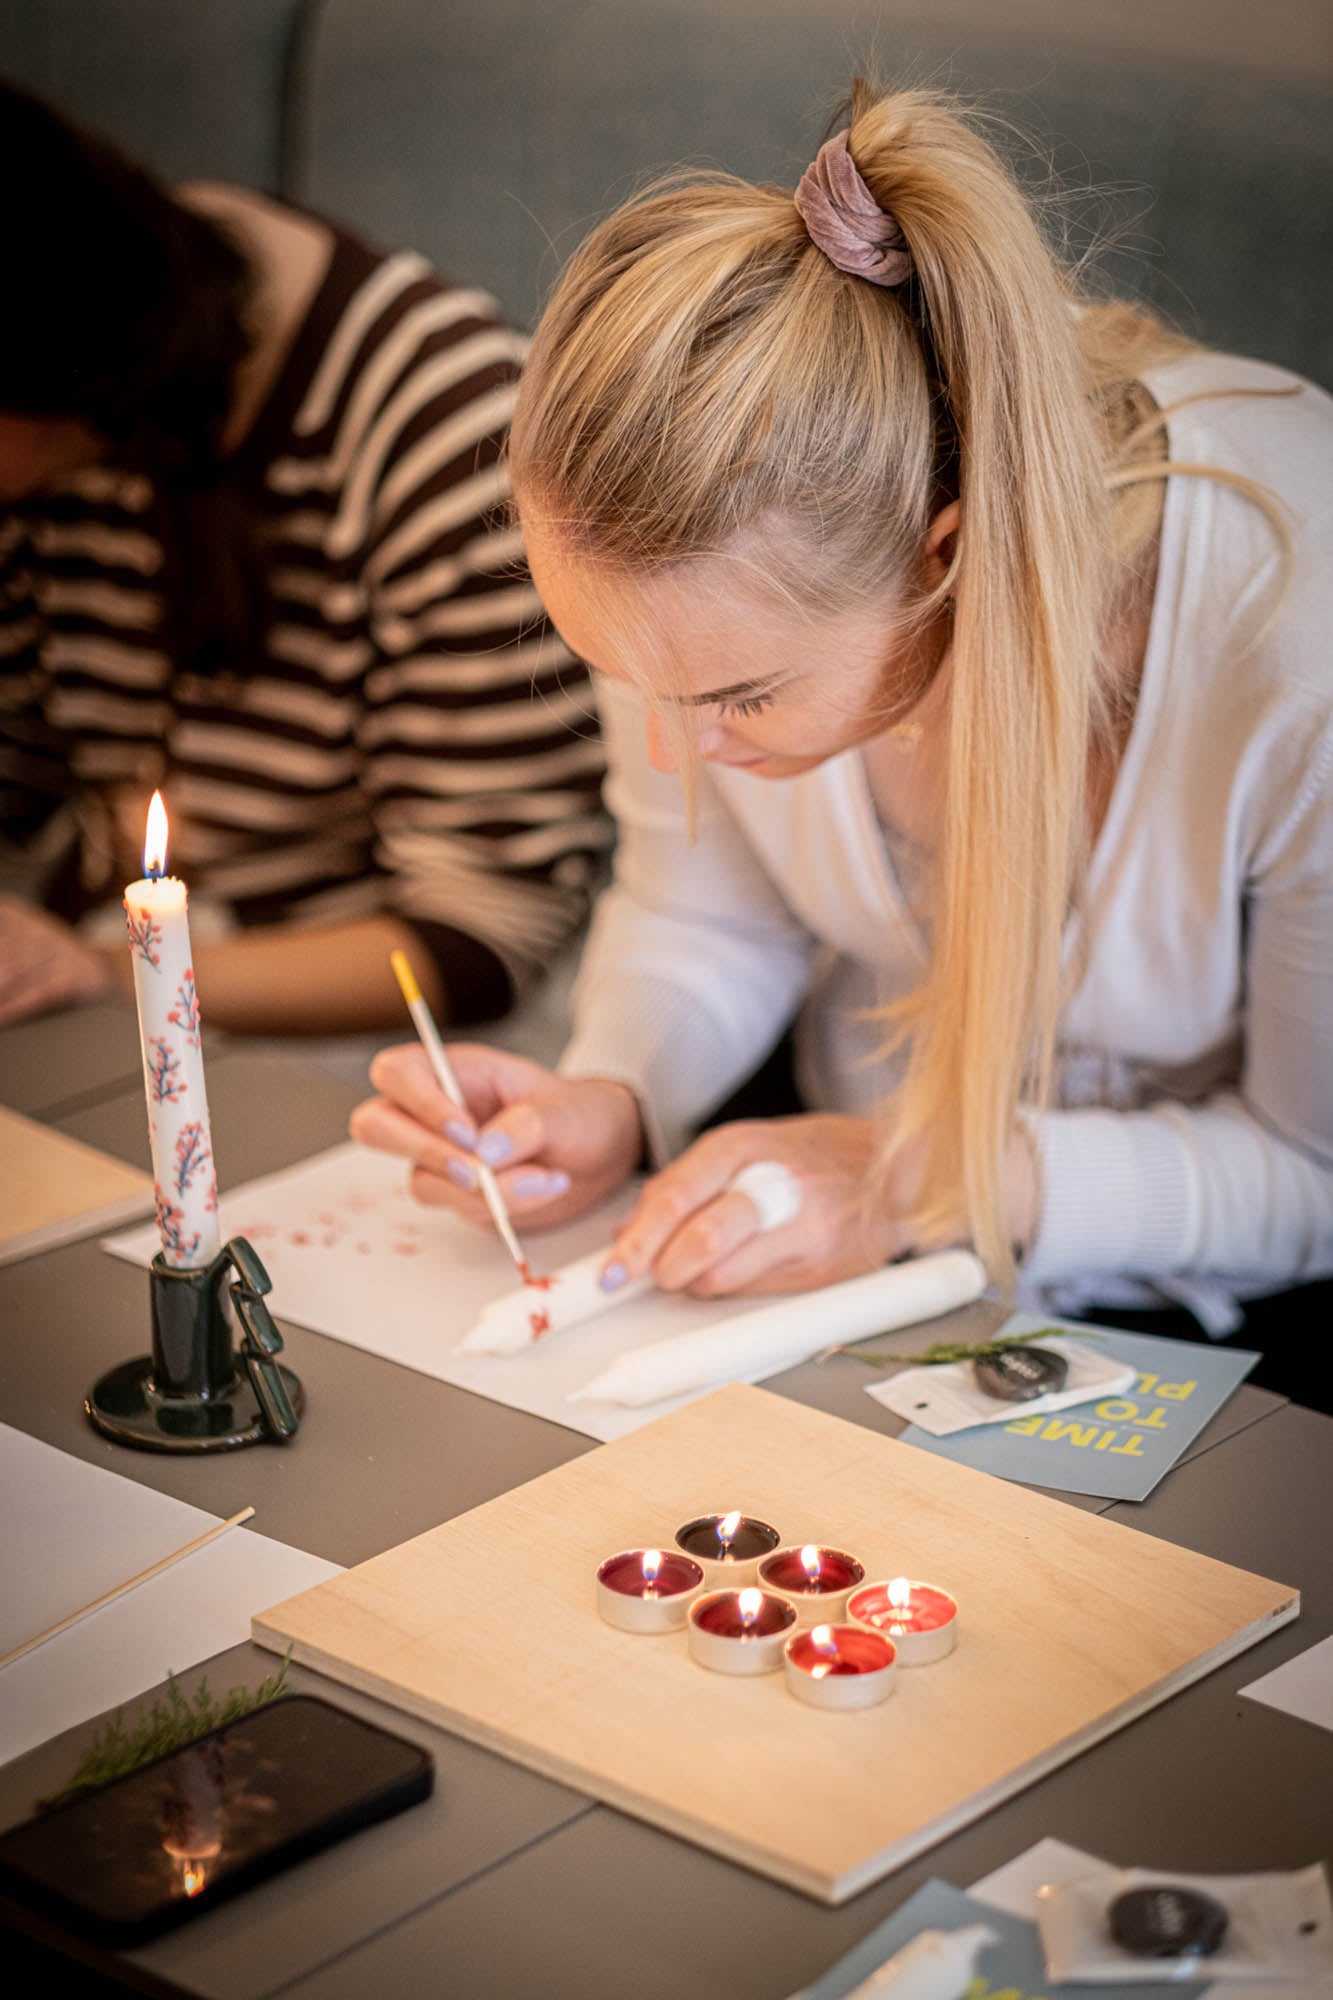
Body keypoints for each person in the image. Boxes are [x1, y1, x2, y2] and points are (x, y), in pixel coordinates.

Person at [351, 83, 1332, 1367]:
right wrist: (617, 1089)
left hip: (1247, 1318)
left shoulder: (1291, 631)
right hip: (855, 1254)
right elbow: (702, 910)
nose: (671, 749)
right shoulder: (677, 561)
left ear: (949, 558)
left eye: (737, 698)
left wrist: (908, 1181)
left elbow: (1313, 1171)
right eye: (633, 684)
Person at [0, 83, 606, 1035]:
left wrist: (102, 970)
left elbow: (487, 930)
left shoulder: (451, 441)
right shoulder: (65, 463)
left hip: (372, 1025)